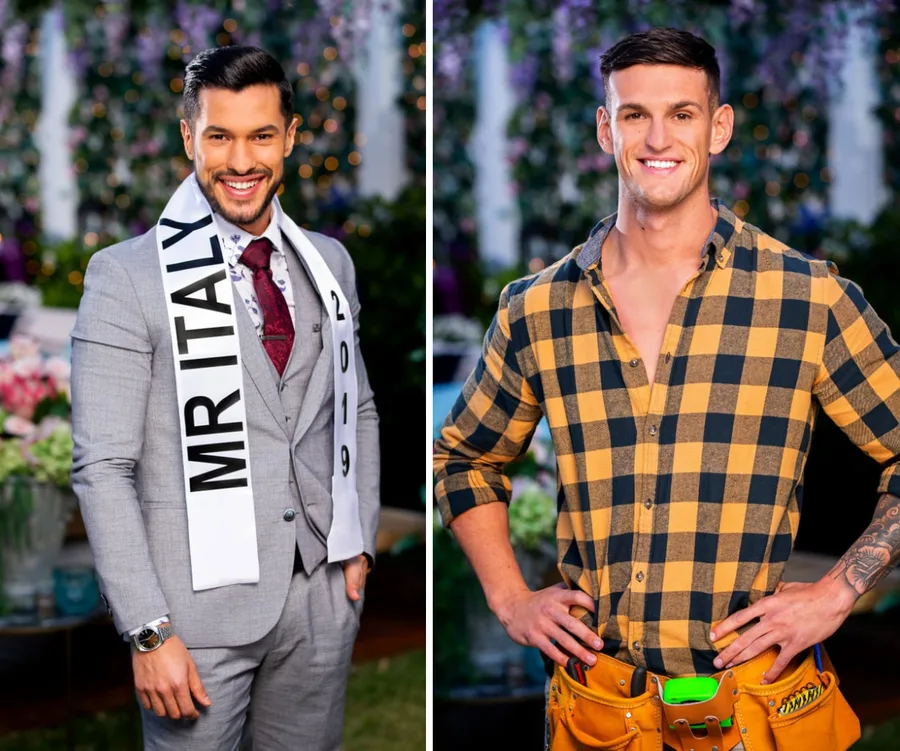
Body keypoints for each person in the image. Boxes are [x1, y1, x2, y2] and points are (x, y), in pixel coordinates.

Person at [433, 27, 893, 751]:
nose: (657, 137)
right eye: (634, 113)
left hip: (757, 709)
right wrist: (511, 596)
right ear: (604, 127)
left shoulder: (807, 297)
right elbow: (463, 457)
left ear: (718, 127)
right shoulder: (538, 307)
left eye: (681, 113)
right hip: (600, 712)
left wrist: (840, 589)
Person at [71, 45, 380, 750]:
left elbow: (354, 407)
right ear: (189, 137)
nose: (242, 161)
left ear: (291, 136)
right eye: (220, 136)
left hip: (322, 598)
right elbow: (103, 468)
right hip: (194, 613)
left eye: (261, 135)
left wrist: (355, 536)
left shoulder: (329, 263)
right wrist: (148, 628)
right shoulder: (125, 277)